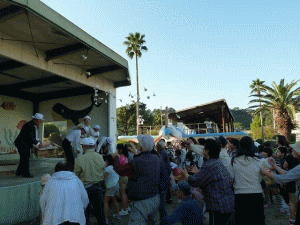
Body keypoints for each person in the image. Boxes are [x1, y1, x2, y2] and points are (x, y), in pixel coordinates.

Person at [115, 134, 168, 225]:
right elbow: (165, 175)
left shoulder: (137, 161)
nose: (137, 146)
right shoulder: (157, 158)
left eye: (139, 144)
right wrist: (161, 190)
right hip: (155, 196)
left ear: (142, 146)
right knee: (152, 221)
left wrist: (115, 158)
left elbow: (121, 171)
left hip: (141, 200)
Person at [182, 139, 234, 225]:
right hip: (226, 203)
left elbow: (195, 181)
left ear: (208, 150)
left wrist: (186, 175)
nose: (203, 150)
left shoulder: (210, 165)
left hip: (218, 206)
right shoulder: (217, 162)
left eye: (204, 148)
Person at [231, 136, 265, 225]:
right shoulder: (258, 161)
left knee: (242, 221)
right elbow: (260, 178)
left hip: (239, 195)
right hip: (256, 193)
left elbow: (232, 177)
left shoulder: (234, 160)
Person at [74, 137, 107, 225]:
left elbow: (76, 173)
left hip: (85, 188)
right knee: (100, 211)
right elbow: (103, 169)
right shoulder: (100, 157)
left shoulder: (80, 159)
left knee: (85, 212)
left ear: (84, 146)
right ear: (94, 146)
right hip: (98, 186)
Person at [14, 113, 44, 177]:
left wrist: (37, 143)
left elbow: (33, 137)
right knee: (25, 158)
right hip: (22, 143)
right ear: (36, 120)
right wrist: (38, 144)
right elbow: (31, 137)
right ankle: (25, 173)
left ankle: (19, 172)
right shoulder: (30, 125)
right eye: (40, 120)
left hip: (22, 143)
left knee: (23, 158)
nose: (40, 122)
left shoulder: (32, 124)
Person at [103, 154, 120, 223]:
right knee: (114, 199)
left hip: (110, 186)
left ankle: (106, 219)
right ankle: (118, 215)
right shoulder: (113, 167)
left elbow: (102, 178)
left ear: (107, 161)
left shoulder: (107, 169)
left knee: (105, 201)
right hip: (116, 185)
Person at [115, 144, 130, 216]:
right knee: (125, 193)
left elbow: (118, 167)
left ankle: (125, 209)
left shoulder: (119, 157)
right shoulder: (125, 156)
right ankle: (127, 207)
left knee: (122, 193)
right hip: (126, 176)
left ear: (119, 149)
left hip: (122, 176)